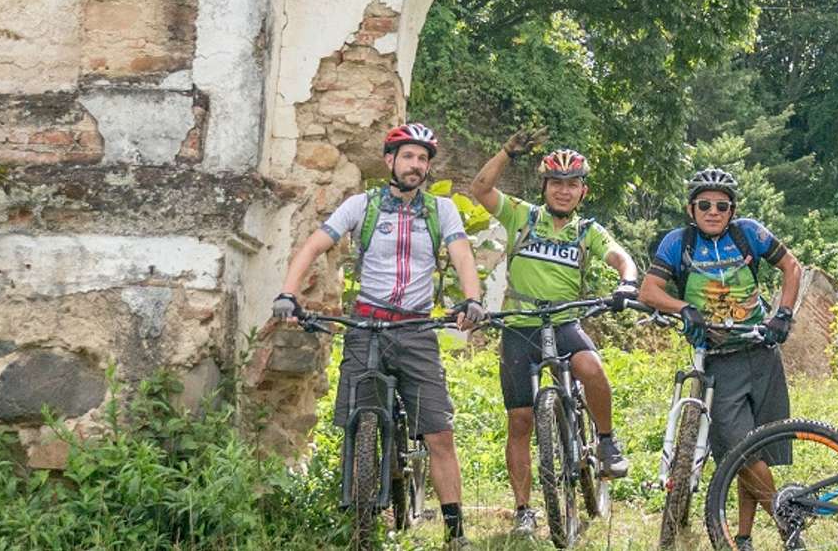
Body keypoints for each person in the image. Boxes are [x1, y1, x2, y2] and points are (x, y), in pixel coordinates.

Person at [271, 122, 486, 549]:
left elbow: (462, 255)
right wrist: (287, 294)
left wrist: (473, 299)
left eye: (423, 159)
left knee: (438, 431)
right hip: (367, 324)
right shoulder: (361, 206)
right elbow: (314, 247)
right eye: (408, 156)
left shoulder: (440, 210)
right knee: (357, 422)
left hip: (416, 327)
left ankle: (455, 529)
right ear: (389, 161)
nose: (416, 165)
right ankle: (361, 517)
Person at [464, 130, 641, 537]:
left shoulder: (587, 231)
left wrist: (627, 283)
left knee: (590, 366)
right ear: (544, 187)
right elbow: (480, 188)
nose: (564, 191)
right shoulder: (522, 216)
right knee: (520, 420)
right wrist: (507, 151)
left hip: (563, 322)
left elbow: (620, 257)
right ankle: (524, 508)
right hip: (519, 327)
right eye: (556, 183)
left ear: (583, 190)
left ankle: (607, 441)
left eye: (572, 184)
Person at [640, 166, 803, 550]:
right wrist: (683, 307)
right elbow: (649, 291)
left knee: (757, 450)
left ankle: (743, 537)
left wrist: (783, 313)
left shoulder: (749, 233)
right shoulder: (677, 243)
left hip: (762, 352)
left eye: (722, 205)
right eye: (704, 204)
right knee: (740, 450)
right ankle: (787, 526)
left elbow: (791, 266)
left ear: (732, 209)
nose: (713, 211)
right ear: (691, 208)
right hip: (718, 360)